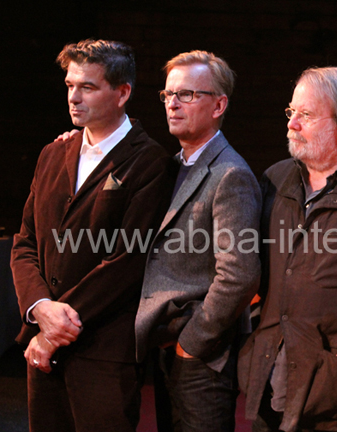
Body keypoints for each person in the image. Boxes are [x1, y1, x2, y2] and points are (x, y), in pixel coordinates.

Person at [11, 39, 173, 431]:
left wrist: (54, 331)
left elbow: (126, 261)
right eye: (70, 85)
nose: (74, 97)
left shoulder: (149, 161)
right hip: (45, 343)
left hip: (103, 350)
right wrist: (39, 309)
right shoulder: (53, 153)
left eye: (87, 87)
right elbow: (26, 242)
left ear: (122, 93)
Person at [238, 67, 337, 432]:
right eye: (291, 113)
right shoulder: (275, 179)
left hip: (333, 394)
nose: (292, 124)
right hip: (268, 375)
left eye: (306, 115)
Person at [134, 50, 261, 432]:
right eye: (169, 94)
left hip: (201, 354)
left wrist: (193, 341)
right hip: (166, 345)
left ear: (219, 104)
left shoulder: (230, 174)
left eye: (187, 94)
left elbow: (239, 274)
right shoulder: (173, 164)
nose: (173, 103)